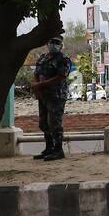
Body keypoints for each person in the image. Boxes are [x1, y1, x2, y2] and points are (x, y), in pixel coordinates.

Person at [31, 32, 71, 161]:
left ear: (61, 45)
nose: (53, 44)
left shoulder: (63, 59)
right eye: (51, 41)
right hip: (43, 95)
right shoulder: (42, 58)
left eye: (57, 42)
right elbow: (37, 72)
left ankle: (58, 150)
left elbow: (60, 77)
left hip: (56, 96)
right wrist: (37, 86)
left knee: (55, 123)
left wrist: (41, 84)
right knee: (43, 123)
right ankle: (49, 148)